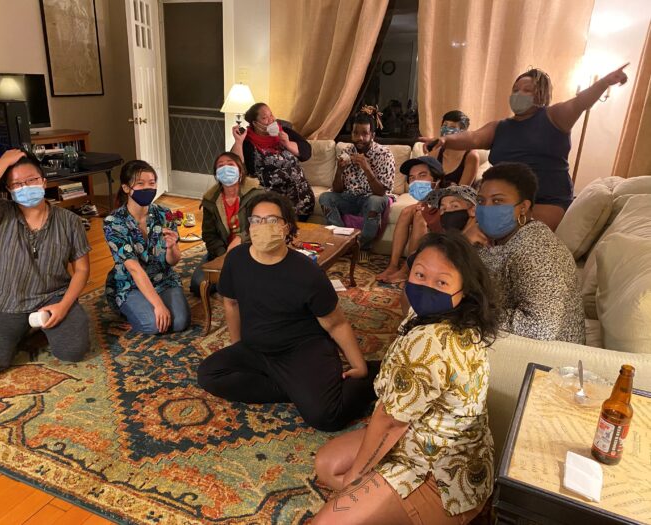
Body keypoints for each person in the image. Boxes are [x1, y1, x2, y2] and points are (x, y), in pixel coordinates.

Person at [313, 232, 500, 525]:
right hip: (425, 440)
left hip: (439, 471)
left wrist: (357, 478)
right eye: (420, 274)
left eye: (441, 282)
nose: (426, 286)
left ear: (465, 289)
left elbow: (390, 421)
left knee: (328, 518)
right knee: (326, 465)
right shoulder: (448, 318)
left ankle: (427, 511)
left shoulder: (431, 341)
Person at [197, 192, 377, 432]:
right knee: (209, 374)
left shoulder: (306, 273)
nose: (263, 227)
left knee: (326, 417)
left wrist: (360, 366)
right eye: (256, 220)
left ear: (286, 227)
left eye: (272, 220)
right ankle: (298, 390)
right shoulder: (236, 259)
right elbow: (231, 303)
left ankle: (376, 373)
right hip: (258, 349)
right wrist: (238, 348)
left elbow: (336, 324)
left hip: (301, 350)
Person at [419, 65, 629, 230]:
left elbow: (579, 102)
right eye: (515, 90)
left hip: (545, 201)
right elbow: (473, 137)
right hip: (501, 201)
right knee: (462, 228)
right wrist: (445, 141)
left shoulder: (554, 117)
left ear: (541, 95)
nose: (519, 94)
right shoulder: (500, 127)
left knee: (519, 237)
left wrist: (604, 83)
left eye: (527, 90)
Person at [0, 150, 91, 377]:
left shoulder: (69, 221)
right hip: (8, 299)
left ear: (43, 181)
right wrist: (4, 161)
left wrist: (63, 306)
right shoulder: (0, 214)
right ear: (10, 191)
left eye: (31, 180)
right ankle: (26, 329)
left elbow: (81, 269)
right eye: (17, 184)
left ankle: (36, 326)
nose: (26, 187)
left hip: (54, 296)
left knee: (73, 352)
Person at [465, 162, 585, 343]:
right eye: (481, 201)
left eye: (498, 201)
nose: (487, 208)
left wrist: (469, 312)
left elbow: (541, 326)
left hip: (547, 356)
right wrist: (463, 244)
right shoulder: (503, 236)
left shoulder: (537, 251)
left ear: (523, 207)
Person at [103, 160, 191, 334]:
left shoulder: (164, 214)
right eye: (140, 184)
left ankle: (145, 311)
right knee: (154, 325)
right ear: (126, 188)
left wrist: (172, 247)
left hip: (163, 279)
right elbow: (134, 269)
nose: (148, 188)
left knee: (180, 322)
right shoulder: (113, 223)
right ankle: (131, 312)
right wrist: (158, 305)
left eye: (152, 183)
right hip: (131, 284)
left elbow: (173, 261)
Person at [319, 109, 396, 258]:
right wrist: (340, 171)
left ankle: (362, 246)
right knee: (325, 198)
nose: (359, 138)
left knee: (375, 201)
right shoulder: (347, 151)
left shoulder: (384, 154)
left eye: (364, 133)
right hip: (350, 198)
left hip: (372, 198)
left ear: (372, 135)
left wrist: (367, 169)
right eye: (355, 133)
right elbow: (337, 190)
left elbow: (380, 193)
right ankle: (343, 242)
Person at [190, 152, 265, 296]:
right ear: (216, 174)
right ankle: (232, 280)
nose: (226, 168)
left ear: (240, 170)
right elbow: (209, 234)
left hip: (252, 248)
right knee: (197, 284)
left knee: (249, 282)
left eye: (230, 164)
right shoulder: (210, 200)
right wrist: (223, 256)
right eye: (220, 166)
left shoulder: (257, 194)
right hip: (222, 252)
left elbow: (262, 225)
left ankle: (234, 281)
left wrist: (241, 238)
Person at [231, 102, 315, 220]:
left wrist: (287, 144)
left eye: (271, 115)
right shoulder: (247, 141)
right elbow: (235, 164)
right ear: (255, 123)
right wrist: (238, 142)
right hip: (271, 198)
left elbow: (306, 152)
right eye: (265, 118)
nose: (271, 120)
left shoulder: (285, 132)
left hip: (300, 196)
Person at [376, 156, 445, 283]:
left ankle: (407, 270)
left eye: (422, 175)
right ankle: (393, 265)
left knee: (420, 215)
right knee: (406, 211)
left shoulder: (447, 196)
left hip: (445, 229)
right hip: (429, 207)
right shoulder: (429, 197)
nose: (416, 181)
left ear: (437, 179)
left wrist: (424, 210)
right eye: (412, 178)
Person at [427, 110, 480, 186]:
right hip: (436, 196)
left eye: (452, 127)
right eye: (445, 125)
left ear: (463, 132)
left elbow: (462, 191)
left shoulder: (471, 156)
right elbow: (428, 185)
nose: (446, 129)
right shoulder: (434, 153)